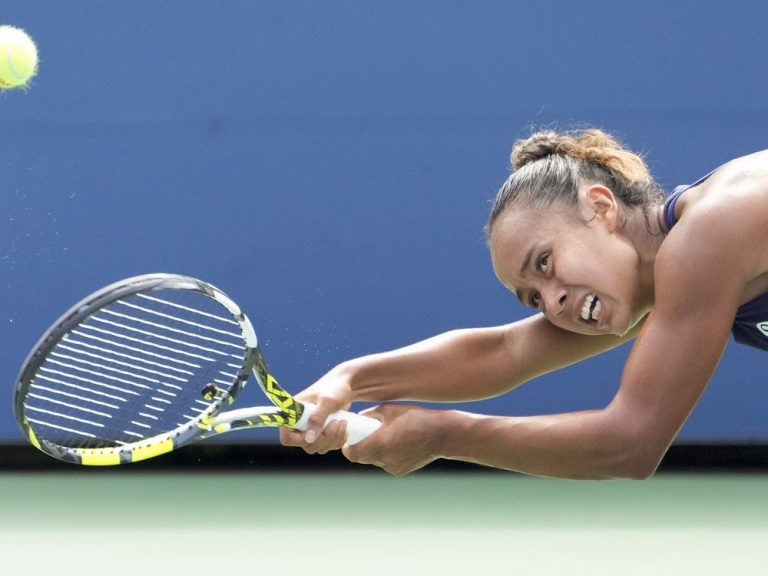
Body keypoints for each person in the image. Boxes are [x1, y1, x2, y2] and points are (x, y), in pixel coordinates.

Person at [280, 127, 768, 480]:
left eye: (545, 262)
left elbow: (629, 444)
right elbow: (505, 353)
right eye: (533, 297)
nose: (552, 303)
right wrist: (348, 380)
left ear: (600, 207)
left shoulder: (708, 233)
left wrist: (443, 435)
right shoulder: (660, 276)